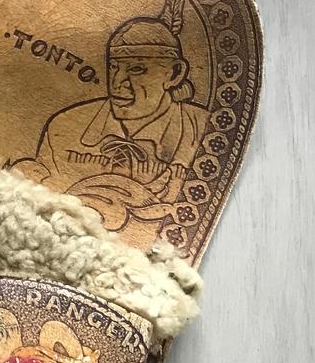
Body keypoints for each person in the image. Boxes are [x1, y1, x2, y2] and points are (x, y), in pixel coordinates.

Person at [11, 17, 206, 230]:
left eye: (137, 69)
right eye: (113, 67)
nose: (116, 82)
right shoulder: (64, 127)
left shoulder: (204, 132)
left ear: (175, 74)